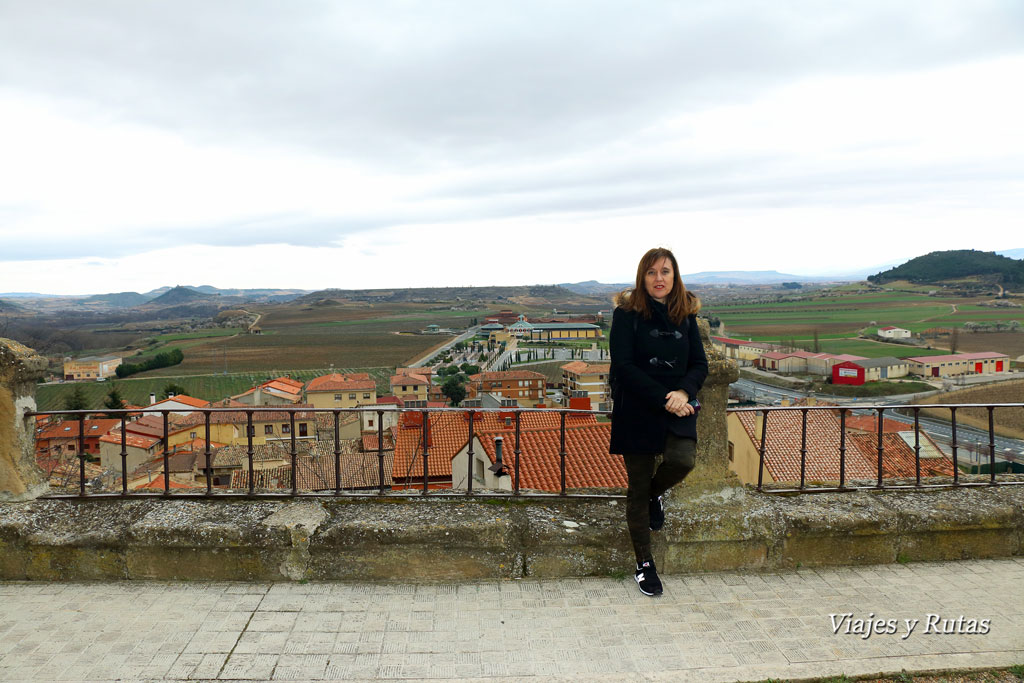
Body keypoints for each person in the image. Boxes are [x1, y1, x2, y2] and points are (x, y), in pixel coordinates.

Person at [608, 247, 708, 596]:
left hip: (678, 405)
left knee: (683, 460)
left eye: (665, 271)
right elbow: (623, 365)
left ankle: (654, 495)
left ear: (675, 276)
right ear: (642, 277)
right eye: (651, 272)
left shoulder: (686, 315)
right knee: (636, 488)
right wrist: (667, 397)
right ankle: (644, 564)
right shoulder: (626, 314)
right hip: (637, 408)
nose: (659, 278)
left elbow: (700, 364)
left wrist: (684, 390)